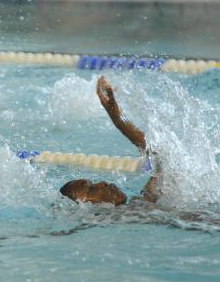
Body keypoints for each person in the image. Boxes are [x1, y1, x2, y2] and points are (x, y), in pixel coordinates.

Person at [60, 76, 162, 206]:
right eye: (91, 188)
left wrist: (119, 120)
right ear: (85, 204)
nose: (103, 183)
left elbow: (160, 158)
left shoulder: (139, 204)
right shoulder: (128, 212)